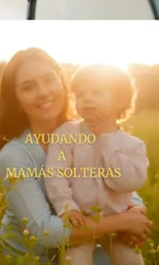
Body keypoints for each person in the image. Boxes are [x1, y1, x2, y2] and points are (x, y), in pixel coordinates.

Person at [0, 49, 152, 262]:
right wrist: (123, 222)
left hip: (86, 241)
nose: (43, 92)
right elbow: (42, 231)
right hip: (32, 257)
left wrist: (136, 210)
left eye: (49, 80)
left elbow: (113, 180)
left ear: (62, 83)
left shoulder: (90, 130)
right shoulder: (14, 155)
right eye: (28, 87)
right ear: (17, 102)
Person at [45, 64, 148, 265]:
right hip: (81, 221)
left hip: (118, 225)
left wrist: (107, 138)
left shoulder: (133, 146)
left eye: (96, 92)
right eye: (81, 94)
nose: (87, 99)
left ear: (119, 99)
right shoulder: (66, 135)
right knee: (75, 261)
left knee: (132, 260)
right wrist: (67, 207)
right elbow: (55, 174)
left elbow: (126, 183)